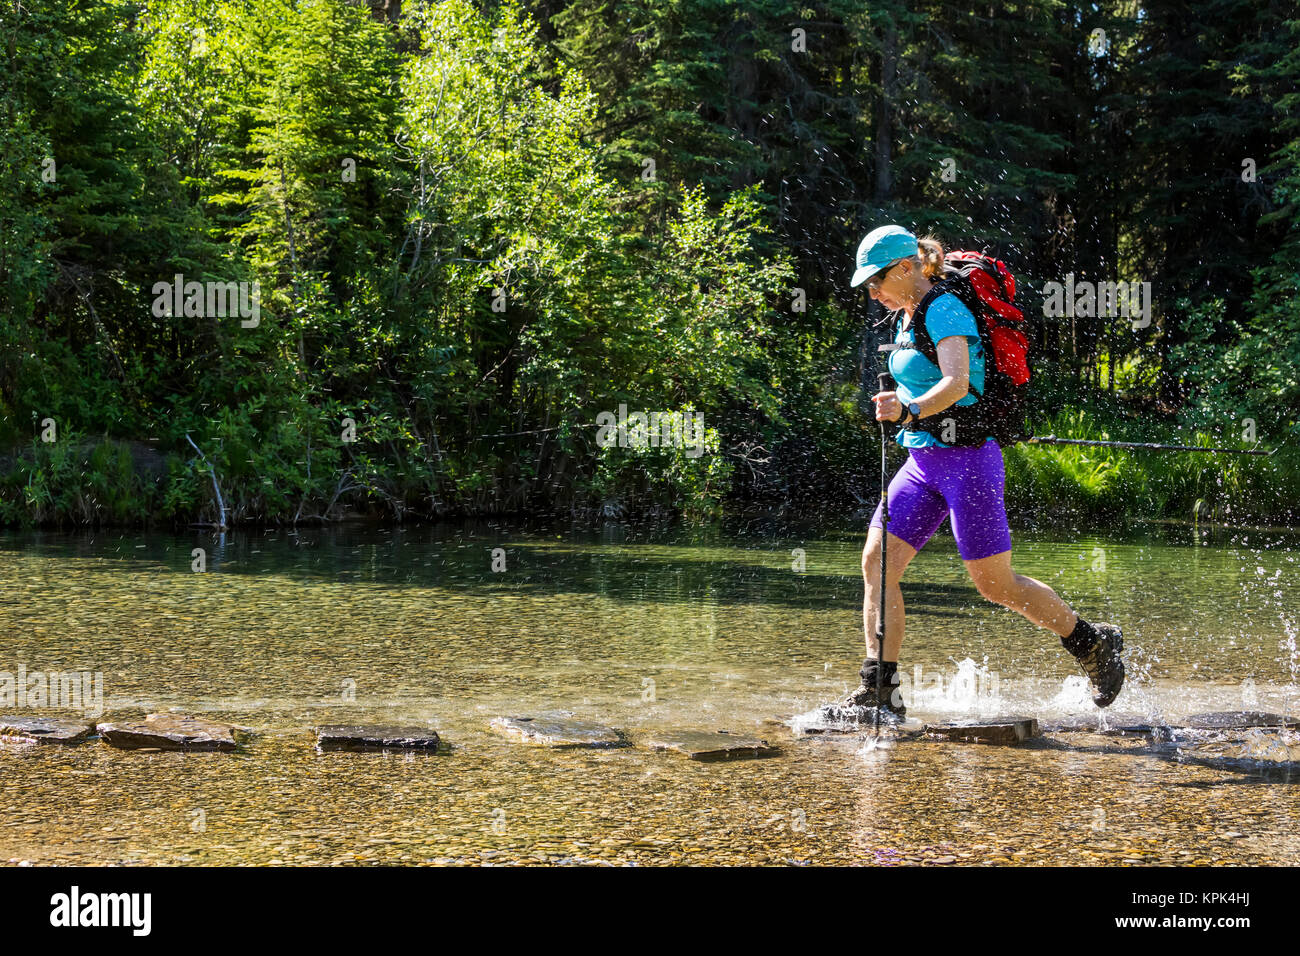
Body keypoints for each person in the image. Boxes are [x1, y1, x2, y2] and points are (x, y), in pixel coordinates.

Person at [840, 225, 1124, 719]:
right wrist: (909, 415)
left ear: (906, 267)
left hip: (969, 463)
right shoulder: (906, 318)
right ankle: (879, 692)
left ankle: (1091, 643)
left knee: (995, 585)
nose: (872, 291)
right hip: (924, 461)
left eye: (877, 279)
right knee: (877, 561)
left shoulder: (946, 308)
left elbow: (957, 382)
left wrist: (908, 410)